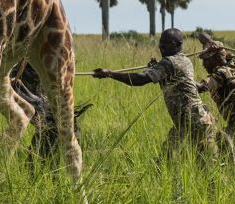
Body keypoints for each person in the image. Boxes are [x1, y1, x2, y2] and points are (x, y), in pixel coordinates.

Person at [92, 28, 218, 159]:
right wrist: (154, 68)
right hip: (189, 122)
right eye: (161, 43)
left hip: (195, 121)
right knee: (165, 161)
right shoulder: (184, 60)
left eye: (166, 44)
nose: (161, 47)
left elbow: (140, 80)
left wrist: (110, 74)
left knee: (204, 165)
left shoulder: (170, 62)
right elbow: (176, 80)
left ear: (177, 44)